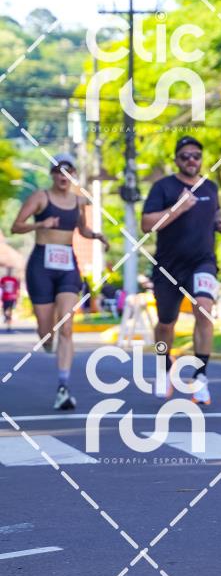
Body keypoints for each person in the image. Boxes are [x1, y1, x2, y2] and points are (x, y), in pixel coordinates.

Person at [11, 153, 109, 410]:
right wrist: (41, 224)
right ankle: (48, 339)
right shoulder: (40, 197)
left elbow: (82, 229)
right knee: (46, 332)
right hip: (41, 266)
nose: (63, 175)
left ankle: (63, 387)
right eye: (58, 170)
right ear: (53, 174)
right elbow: (16, 226)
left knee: (66, 326)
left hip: (67, 266)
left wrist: (97, 236)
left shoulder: (78, 201)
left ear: (73, 175)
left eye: (68, 171)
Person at [141, 136, 221, 405]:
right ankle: (163, 367)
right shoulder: (163, 187)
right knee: (165, 324)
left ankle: (200, 378)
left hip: (202, 262)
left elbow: (214, 214)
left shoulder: (210, 187)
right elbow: (147, 224)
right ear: (176, 160)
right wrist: (177, 208)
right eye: (185, 156)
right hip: (168, 266)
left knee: (204, 310)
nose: (192, 160)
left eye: (196, 156)